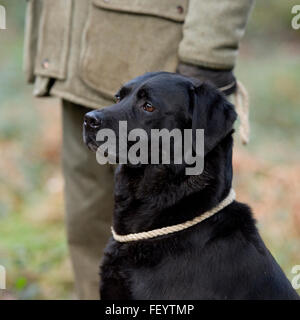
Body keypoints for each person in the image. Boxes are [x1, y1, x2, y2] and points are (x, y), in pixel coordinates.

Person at [24, 0, 254, 299]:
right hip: (74, 63)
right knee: (87, 219)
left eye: (143, 105)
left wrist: (208, 56)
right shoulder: (112, 111)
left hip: (166, 46)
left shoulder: (190, 97)